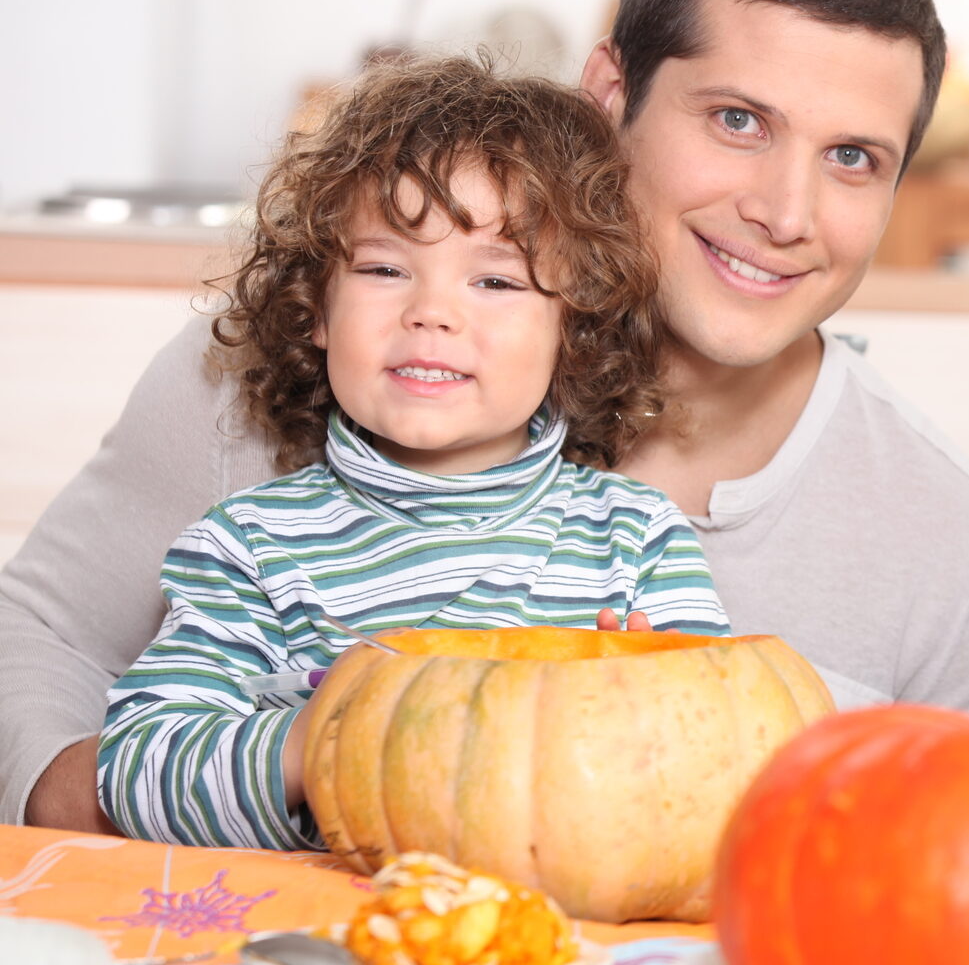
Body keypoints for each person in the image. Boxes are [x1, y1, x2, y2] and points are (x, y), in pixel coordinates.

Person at [5, 0, 969, 833]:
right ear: (609, 94)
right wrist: (94, 795)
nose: (784, 212)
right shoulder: (272, 374)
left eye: (850, 156)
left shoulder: (945, 531)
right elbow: (39, 634)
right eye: (737, 119)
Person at [96, 56, 733, 849]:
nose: (431, 312)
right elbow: (136, 772)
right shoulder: (250, 550)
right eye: (385, 268)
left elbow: (722, 765)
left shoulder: (635, 540)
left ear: (574, 328)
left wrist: (657, 708)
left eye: (496, 283)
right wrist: (318, 738)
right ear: (317, 306)